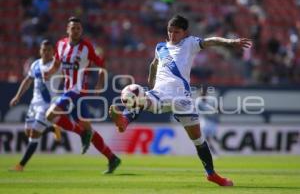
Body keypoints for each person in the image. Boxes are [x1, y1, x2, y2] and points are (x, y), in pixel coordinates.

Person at [110, 15, 252, 185]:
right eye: (170, 31)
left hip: (182, 98)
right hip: (161, 92)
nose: (172, 35)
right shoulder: (160, 47)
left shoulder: (190, 43)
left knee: (198, 139)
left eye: (176, 32)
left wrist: (230, 42)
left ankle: (211, 174)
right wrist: (151, 82)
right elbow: (154, 64)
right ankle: (124, 121)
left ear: (185, 33)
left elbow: (211, 41)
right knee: (139, 95)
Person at [43, 16, 121, 174]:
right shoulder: (60, 44)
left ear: (82, 30)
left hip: (78, 90)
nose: (76, 31)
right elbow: (57, 63)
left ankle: (82, 133)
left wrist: (100, 83)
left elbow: (101, 65)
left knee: (50, 115)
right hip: (67, 91)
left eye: (78, 28)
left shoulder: (87, 47)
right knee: (88, 129)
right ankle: (112, 158)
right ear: (67, 29)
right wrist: (49, 72)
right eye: (73, 28)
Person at [9, 40, 62, 171]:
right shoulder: (35, 64)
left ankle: (21, 165)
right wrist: (17, 96)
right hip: (34, 104)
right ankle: (51, 129)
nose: (46, 52)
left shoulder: (56, 65)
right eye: (44, 50)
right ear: (40, 51)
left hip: (47, 105)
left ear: (53, 52)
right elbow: (27, 81)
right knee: (28, 132)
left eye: (49, 50)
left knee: (34, 134)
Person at [197, 86, 220, 156]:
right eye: (202, 94)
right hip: (204, 122)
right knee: (207, 139)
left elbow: (217, 109)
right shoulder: (199, 102)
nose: (203, 95)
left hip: (212, 122)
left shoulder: (211, 101)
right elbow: (201, 111)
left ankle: (220, 144)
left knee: (213, 137)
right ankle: (214, 153)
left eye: (204, 94)